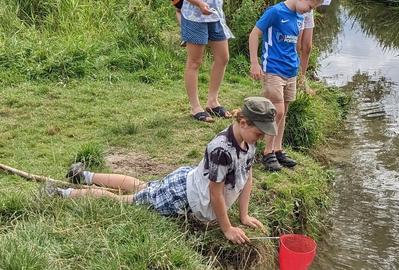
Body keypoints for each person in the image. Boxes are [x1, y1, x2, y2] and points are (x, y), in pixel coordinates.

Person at [39, 97, 278, 244]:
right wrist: (226, 228)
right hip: (183, 196)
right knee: (129, 200)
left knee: (142, 186)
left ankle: (83, 176)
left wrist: (244, 216)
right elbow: (216, 195)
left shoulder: (248, 143)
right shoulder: (221, 150)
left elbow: (246, 176)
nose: (261, 139)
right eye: (259, 133)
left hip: (190, 180)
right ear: (243, 123)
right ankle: (61, 193)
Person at [249, 0, 325, 171]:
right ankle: (267, 152)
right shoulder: (275, 12)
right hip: (273, 69)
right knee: (277, 111)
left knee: (284, 113)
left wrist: (300, 74)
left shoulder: (300, 17)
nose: (309, 11)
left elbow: (295, 46)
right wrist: (254, 63)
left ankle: (277, 148)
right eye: (309, 6)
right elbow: (254, 34)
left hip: (290, 71)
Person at [173, 0, 245, 123]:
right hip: (195, 15)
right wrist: (198, 3)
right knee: (195, 61)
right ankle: (195, 107)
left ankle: (212, 101)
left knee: (223, 57)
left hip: (216, 15)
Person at [286, 0, 339, 95]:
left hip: (309, 13)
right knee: (295, 47)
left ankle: (302, 80)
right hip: (297, 13)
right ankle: (292, 79)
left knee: (307, 47)